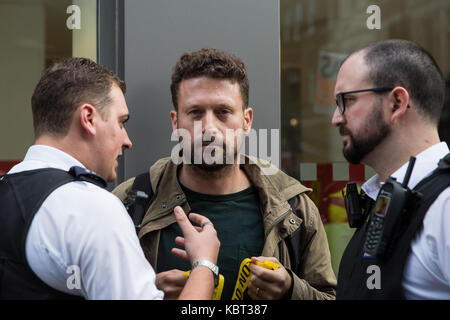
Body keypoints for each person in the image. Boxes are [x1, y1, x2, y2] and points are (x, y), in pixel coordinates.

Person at [113, 48, 336, 300]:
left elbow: (328, 296)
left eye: (223, 112)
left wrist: (291, 289)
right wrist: (147, 292)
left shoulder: (293, 206)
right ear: (175, 123)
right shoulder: (130, 201)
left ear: (247, 120)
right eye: (195, 112)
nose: (209, 128)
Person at [0, 57, 220, 300]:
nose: (127, 141)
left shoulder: (8, 190)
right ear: (89, 119)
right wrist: (204, 264)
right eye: (121, 122)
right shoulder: (91, 209)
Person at [331, 39, 450, 299]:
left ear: (396, 103)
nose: (336, 118)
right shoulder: (383, 200)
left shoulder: (445, 205)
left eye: (346, 100)